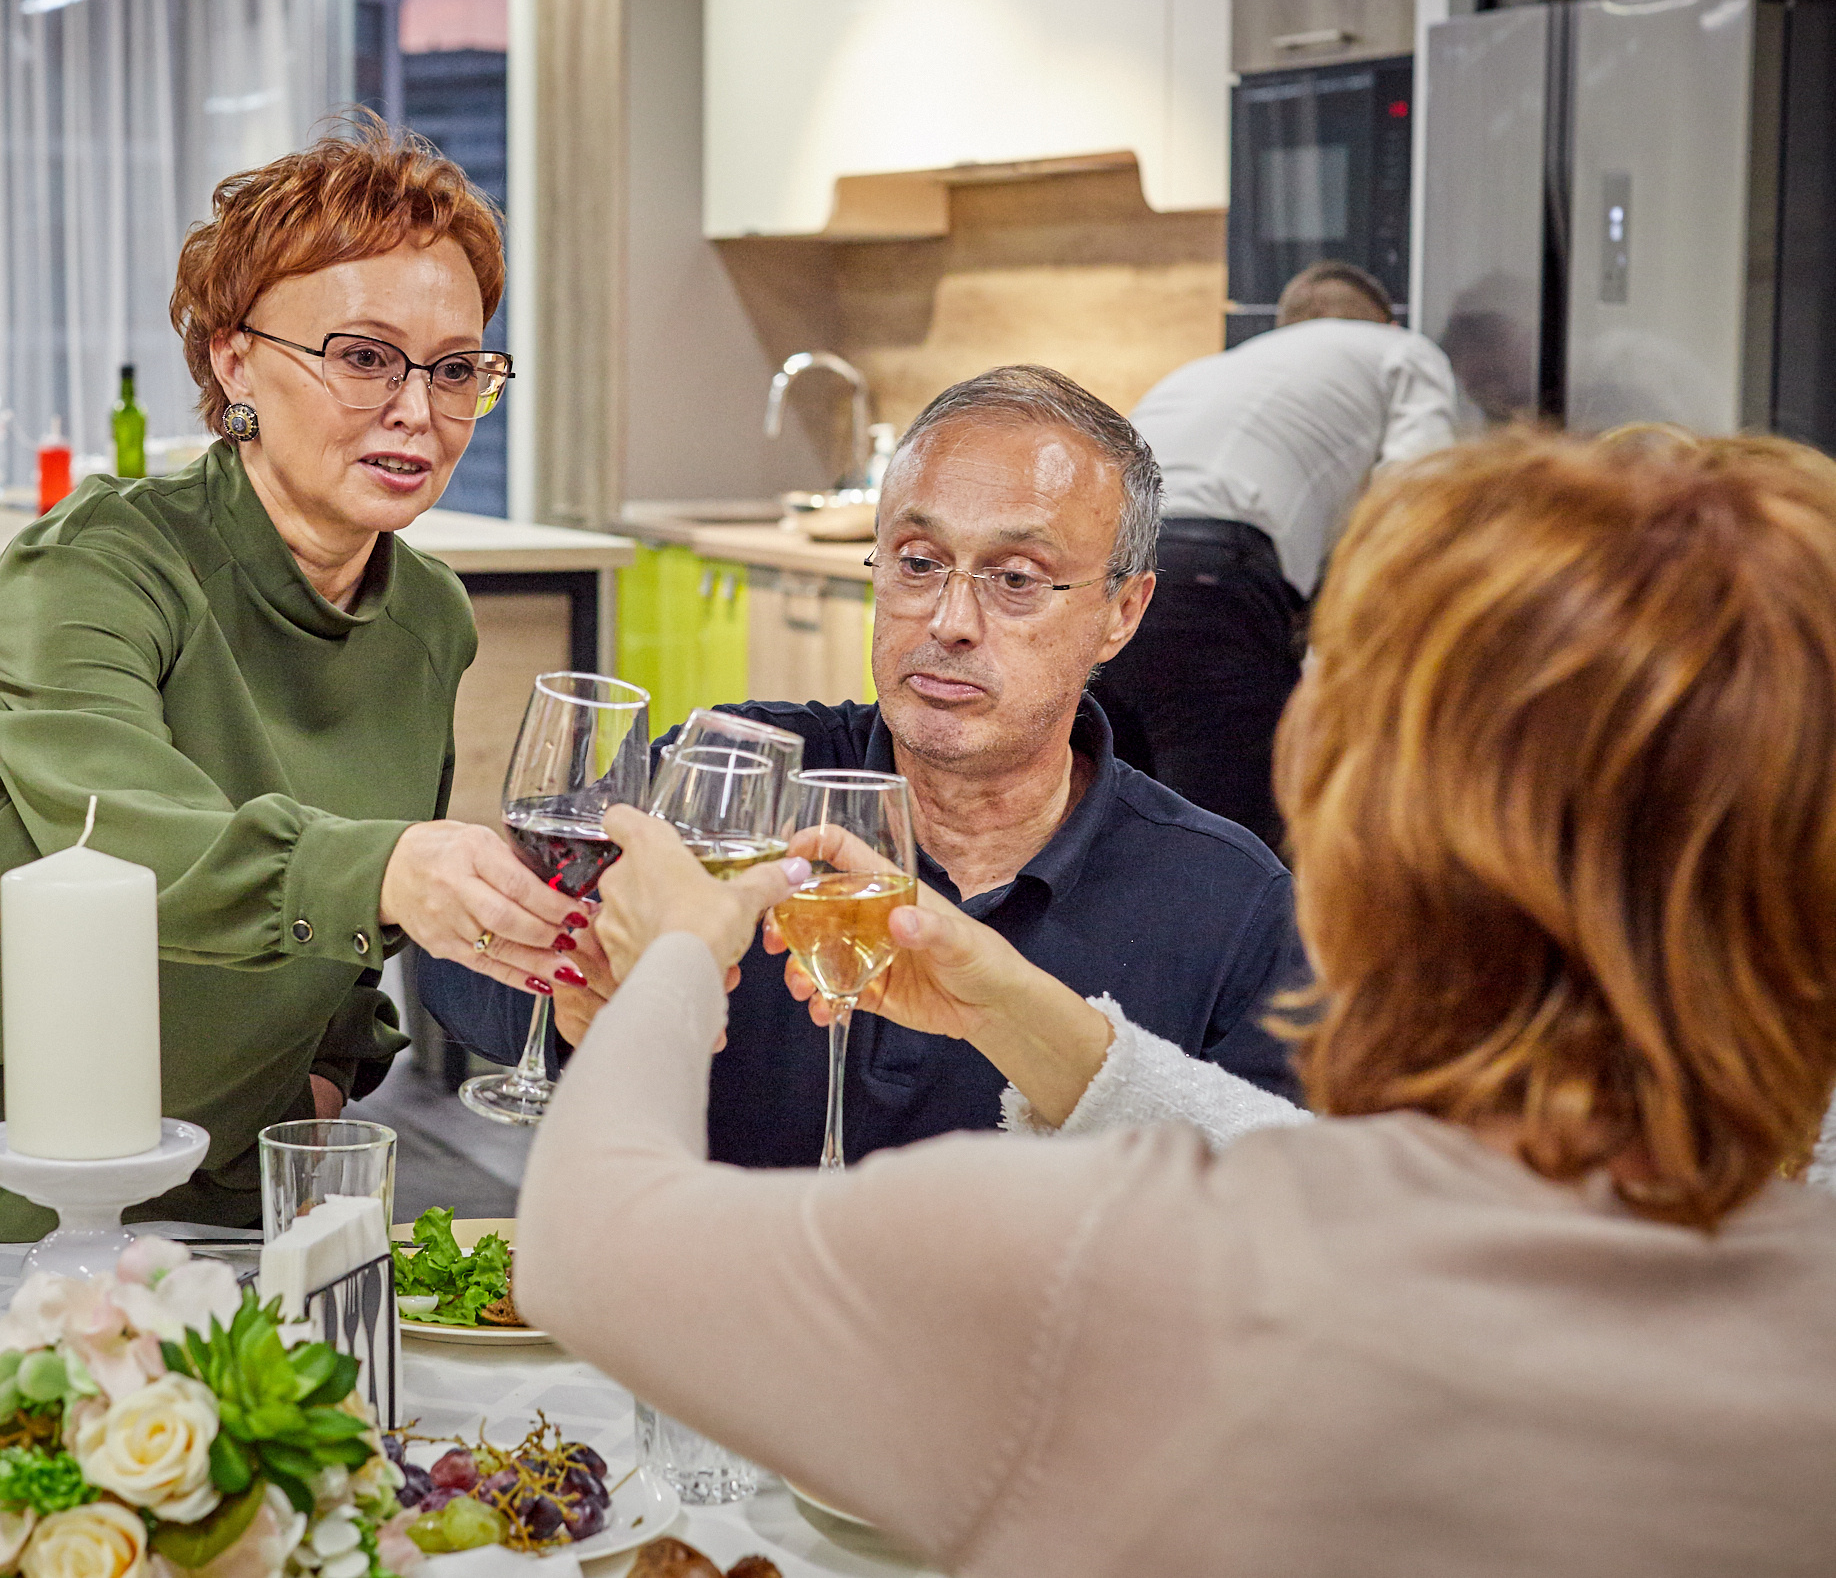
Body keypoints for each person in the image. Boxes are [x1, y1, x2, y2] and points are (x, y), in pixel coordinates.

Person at [517, 427, 1836, 1575]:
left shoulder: (1126, 1265)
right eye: (918, 561)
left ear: (1364, 820)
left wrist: (685, 946)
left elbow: (591, 1245)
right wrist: (1019, 1008)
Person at [0, 122, 593, 1248]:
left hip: (201, 1186)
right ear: (234, 357)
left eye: (454, 367)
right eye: (363, 355)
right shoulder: (95, 565)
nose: (417, 407)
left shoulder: (426, 615)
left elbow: (352, 927)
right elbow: (118, 831)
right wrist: (384, 869)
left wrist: (329, 1075)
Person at [421, 366, 1304, 1169]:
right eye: (919, 563)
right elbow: (462, 980)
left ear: (1122, 610)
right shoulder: (731, 780)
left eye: (1017, 578)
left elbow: (1289, 1221)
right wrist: (576, 982)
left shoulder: (1227, 903)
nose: (951, 619)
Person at [1092, 260, 1458, 847]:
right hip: (1209, 577)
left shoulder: (1212, 371)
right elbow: (1413, 500)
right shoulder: (1403, 353)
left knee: (1121, 833)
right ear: (1386, 323)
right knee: (1240, 850)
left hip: (1094, 577)